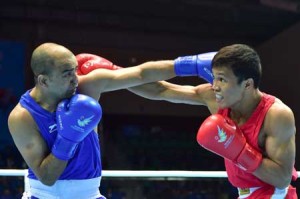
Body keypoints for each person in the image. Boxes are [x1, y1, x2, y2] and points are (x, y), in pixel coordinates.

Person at [80, 44, 298, 198]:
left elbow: (281, 178)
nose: (215, 85)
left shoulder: (276, 115)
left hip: (275, 194)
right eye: (214, 77)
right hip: (245, 194)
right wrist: (114, 73)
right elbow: (161, 90)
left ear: (248, 84)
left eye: (222, 79)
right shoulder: (214, 98)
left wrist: (239, 150)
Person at [7, 42, 177, 199]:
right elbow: (47, 177)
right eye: (67, 74)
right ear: (44, 80)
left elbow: (140, 74)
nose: (75, 78)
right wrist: (68, 138)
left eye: (75, 70)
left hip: (90, 194)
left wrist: (190, 65)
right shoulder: (23, 117)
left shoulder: (84, 87)